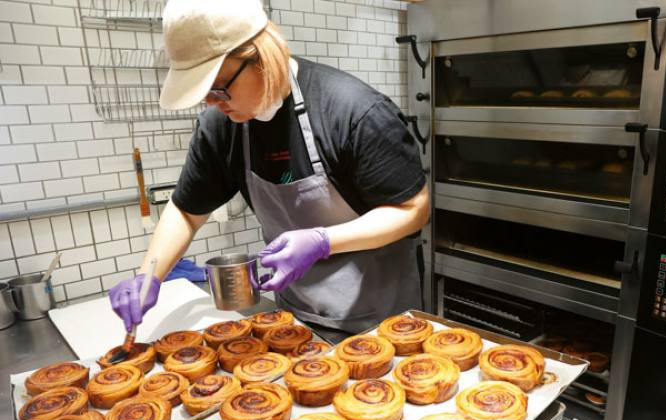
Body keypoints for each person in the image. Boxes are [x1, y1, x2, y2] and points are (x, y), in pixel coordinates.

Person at [109, 0, 429, 339]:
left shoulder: (353, 112)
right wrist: (149, 275)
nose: (213, 103)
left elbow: (413, 209)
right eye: (205, 95)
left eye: (218, 88)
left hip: (380, 324)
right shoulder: (222, 126)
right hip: (295, 322)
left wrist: (323, 241)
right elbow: (187, 212)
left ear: (260, 54)